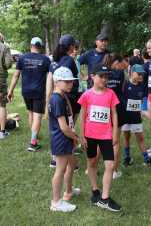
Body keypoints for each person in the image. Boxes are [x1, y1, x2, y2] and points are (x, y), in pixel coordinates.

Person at [78, 64, 121, 212]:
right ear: (92, 77)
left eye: (106, 76)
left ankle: (104, 198)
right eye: (101, 76)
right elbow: (83, 116)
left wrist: (115, 131)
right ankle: (95, 189)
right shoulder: (86, 95)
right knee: (91, 163)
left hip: (106, 135)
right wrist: (82, 135)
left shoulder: (111, 94)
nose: (104, 79)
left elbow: (114, 113)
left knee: (109, 165)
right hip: (90, 135)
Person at [8, 37, 51, 151]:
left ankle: (34, 135)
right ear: (40, 47)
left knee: (31, 113)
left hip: (26, 91)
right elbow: (50, 77)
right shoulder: (46, 60)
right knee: (37, 116)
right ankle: (33, 143)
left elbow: (16, 75)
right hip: (39, 91)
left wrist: (10, 90)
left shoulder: (22, 58)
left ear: (30, 45)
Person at [46, 34, 80, 168]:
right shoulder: (69, 61)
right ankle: (62, 159)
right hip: (68, 97)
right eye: (74, 45)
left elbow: (50, 81)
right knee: (67, 127)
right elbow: (74, 78)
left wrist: (48, 99)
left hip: (56, 96)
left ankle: (58, 158)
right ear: (71, 46)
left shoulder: (53, 61)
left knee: (56, 127)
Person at [49, 67, 80, 212]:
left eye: (71, 82)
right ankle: (56, 202)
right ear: (57, 81)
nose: (70, 84)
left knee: (72, 164)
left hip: (66, 138)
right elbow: (63, 127)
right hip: (61, 139)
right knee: (60, 170)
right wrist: (76, 137)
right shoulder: (56, 99)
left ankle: (68, 191)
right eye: (66, 82)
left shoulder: (62, 96)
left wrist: (72, 135)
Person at [121, 64, 151, 167]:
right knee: (126, 137)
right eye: (139, 74)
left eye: (142, 74)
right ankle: (127, 157)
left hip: (136, 117)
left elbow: (144, 102)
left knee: (140, 138)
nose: (141, 76)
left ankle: (146, 159)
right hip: (125, 117)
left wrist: (146, 112)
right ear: (132, 73)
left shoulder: (142, 86)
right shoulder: (125, 85)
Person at [103, 53, 126, 179]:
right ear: (115, 62)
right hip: (118, 107)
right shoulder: (120, 73)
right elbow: (122, 89)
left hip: (104, 107)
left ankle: (91, 167)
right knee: (115, 142)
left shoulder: (101, 73)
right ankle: (114, 171)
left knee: (100, 139)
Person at [0, 32, 12, 139]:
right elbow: (8, 64)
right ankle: (2, 132)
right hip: (1, 79)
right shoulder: (4, 47)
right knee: (2, 105)